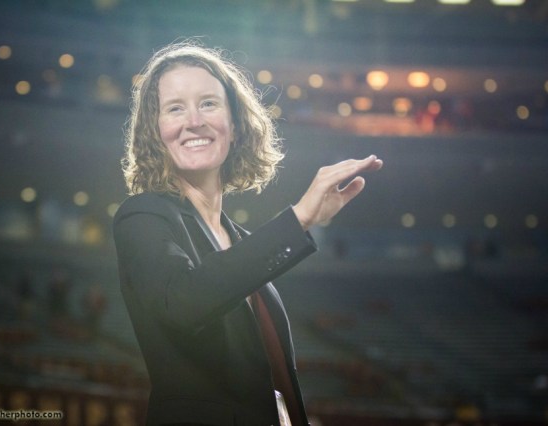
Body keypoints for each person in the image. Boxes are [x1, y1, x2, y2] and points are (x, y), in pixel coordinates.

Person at [113, 41, 383, 426]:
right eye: (175, 108)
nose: (194, 120)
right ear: (155, 133)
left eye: (208, 103)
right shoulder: (142, 217)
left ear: (236, 126)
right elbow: (185, 302)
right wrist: (299, 218)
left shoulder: (239, 239)